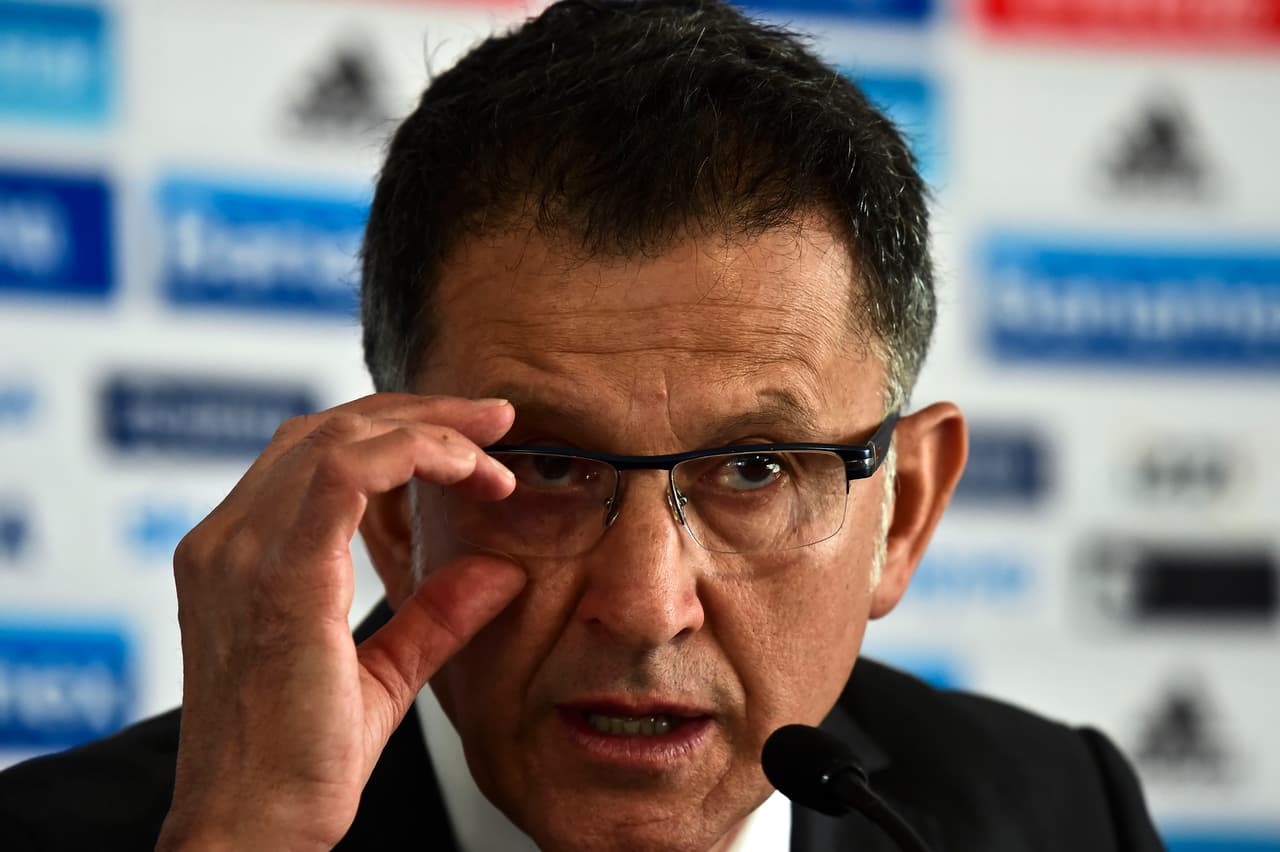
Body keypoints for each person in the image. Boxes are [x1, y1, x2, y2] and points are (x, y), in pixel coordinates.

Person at [0, 1, 1165, 850]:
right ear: (398, 518)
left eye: (753, 467)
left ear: (902, 511)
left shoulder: (1056, 813)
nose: (646, 602)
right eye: (547, 464)